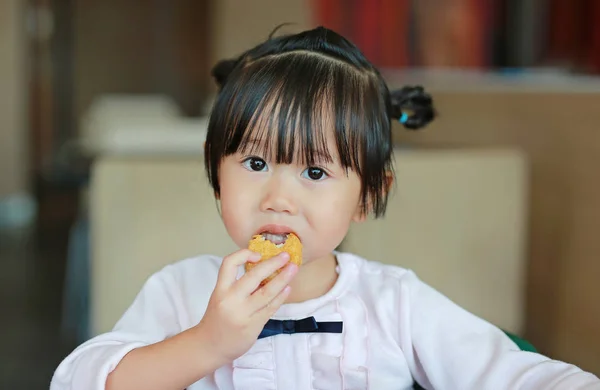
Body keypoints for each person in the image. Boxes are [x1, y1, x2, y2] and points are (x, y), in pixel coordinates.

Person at [50, 26, 600, 390]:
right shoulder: (183, 292)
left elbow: (514, 374)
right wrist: (208, 342)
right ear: (214, 171)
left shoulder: (393, 302)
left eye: (314, 173)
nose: (279, 198)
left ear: (368, 195)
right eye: (256, 164)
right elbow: (79, 380)